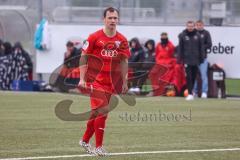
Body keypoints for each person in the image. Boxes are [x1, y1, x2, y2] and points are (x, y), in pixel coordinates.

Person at [78, 7, 130, 156]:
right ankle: (99, 147)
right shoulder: (94, 37)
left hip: (111, 82)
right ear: (104, 19)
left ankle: (84, 141)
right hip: (95, 81)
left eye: (115, 18)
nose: (113, 21)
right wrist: (82, 79)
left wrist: (125, 81)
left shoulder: (122, 40)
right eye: (110, 18)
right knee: (103, 110)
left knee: (97, 113)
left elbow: (124, 61)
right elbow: (83, 57)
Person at [178, 21, 204, 100]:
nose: (190, 27)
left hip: (196, 60)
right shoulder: (182, 35)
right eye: (189, 26)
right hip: (187, 60)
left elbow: (201, 48)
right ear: (186, 26)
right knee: (188, 77)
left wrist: (201, 58)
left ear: (194, 26)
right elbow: (180, 48)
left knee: (193, 77)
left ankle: (191, 92)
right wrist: (180, 59)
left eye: (192, 26)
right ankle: (190, 94)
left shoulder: (198, 35)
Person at [193, 20, 212, 98]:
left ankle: (204, 92)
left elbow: (209, 44)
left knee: (203, 75)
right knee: (194, 75)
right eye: (197, 25)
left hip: (203, 58)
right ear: (195, 26)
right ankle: (194, 91)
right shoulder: (193, 33)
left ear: (203, 25)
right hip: (194, 58)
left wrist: (201, 47)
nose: (199, 26)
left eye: (200, 25)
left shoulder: (206, 33)